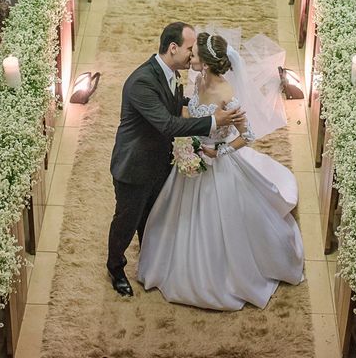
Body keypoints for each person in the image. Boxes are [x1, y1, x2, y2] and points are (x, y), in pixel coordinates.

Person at [137, 32, 304, 311]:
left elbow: (247, 134)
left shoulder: (227, 95)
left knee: (222, 223)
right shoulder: (200, 79)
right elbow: (191, 108)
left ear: (207, 63)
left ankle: (221, 276)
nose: (190, 57)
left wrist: (219, 151)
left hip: (216, 161)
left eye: (195, 54)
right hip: (192, 157)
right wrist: (187, 138)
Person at [107, 22, 245, 297]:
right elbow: (168, 125)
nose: (193, 56)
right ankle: (115, 267)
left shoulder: (172, 73)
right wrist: (211, 121)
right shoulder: (142, 82)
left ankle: (151, 261)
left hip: (161, 161)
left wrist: (208, 106)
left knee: (154, 217)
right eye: (189, 49)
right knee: (127, 220)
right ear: (173, 48)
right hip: (134, 166)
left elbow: (178, 107)